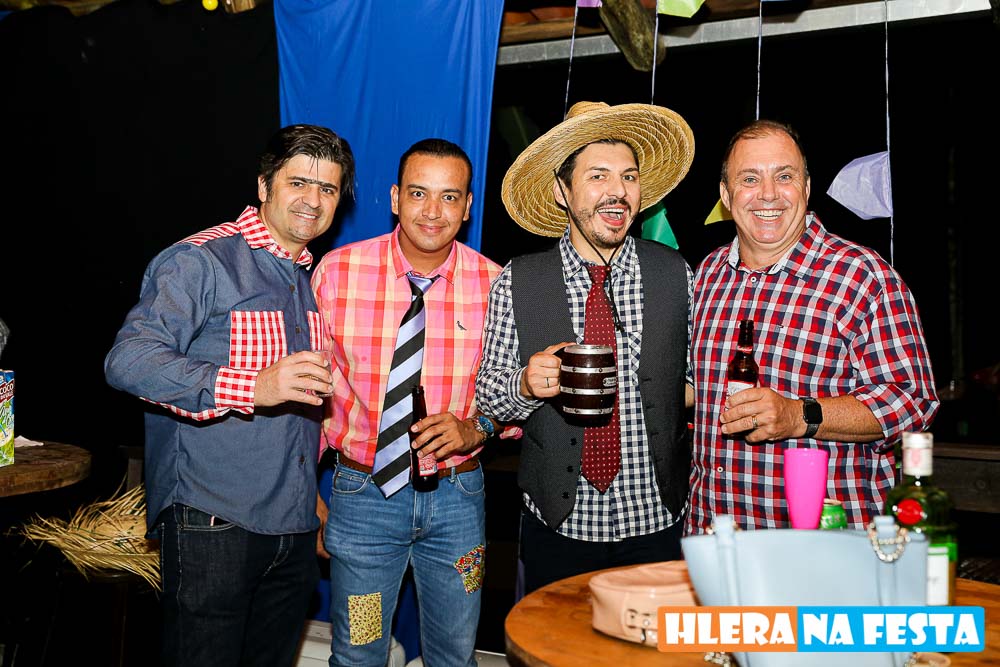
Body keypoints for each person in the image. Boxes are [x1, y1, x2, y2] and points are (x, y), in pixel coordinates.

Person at [104, 124, 354, 667]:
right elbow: (129, 360)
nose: (313, 200)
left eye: (328, 189)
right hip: (214, 522)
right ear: (264, 186)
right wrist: (255, 386)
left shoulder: (304, 279)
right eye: (298, 183)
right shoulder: (201, 260)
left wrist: (309, 498)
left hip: (292, 527)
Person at [475, 101, 696, 594]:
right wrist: (525, 384)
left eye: (629, 177)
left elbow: (701, 380)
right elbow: (488, 394)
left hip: (657, 518)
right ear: (562, 190)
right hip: (558, 523)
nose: (618, 191)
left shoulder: (675, 274)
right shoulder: (518, 280)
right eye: (598, 176)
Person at [687, 119, 939, 534]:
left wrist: (799, 415)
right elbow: (692, 385)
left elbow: (912, 402)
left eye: (784, 176)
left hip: (825, 544)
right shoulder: (708, 275)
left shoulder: (862, 276)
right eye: (749, 179)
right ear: (726, 196)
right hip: (714, 537)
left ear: (805, 188)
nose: (768, 193)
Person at [311, 138, 502, 667]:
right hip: (363, 502)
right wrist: (307, 494)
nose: (432, 211)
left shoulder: (496, 286)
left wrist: (478, 426)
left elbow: (516, 398)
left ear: (467, 206)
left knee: (454, 654)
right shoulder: (337, 273)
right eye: (419, 193)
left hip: (458, 501)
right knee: (359, 651)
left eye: (449, 197)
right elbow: (307, 397)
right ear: (395, 198)